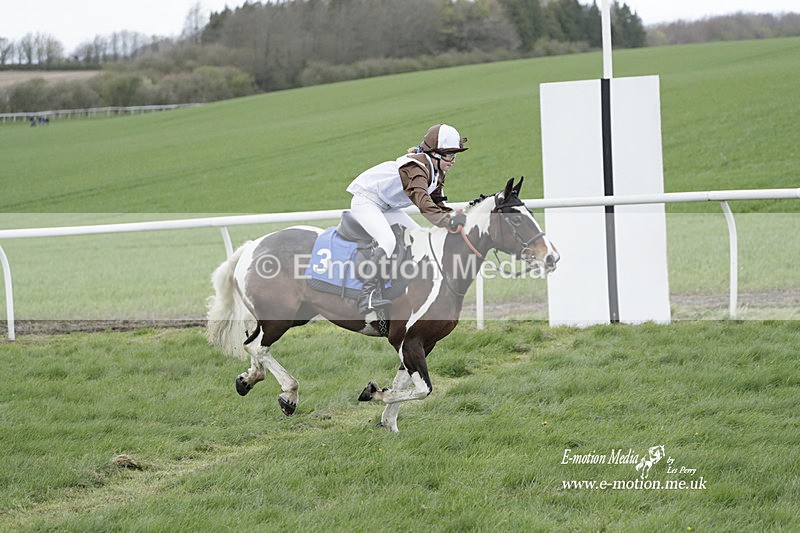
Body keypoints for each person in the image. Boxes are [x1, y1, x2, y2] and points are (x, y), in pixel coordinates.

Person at [346, 123, 468, 313]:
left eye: (455, 155)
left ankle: (402, 285)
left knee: (418, 236)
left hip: (386, 206)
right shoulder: (416, 168)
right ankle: (367, 295)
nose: (453, 160)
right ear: (435, 154)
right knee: (387, 240)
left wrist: (452, 218)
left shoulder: (436, 171)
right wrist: (447, 221)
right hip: (366, 201)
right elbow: (423, 202)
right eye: (449, 155)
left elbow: (437, 203)